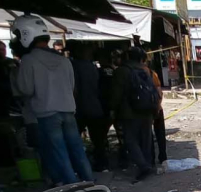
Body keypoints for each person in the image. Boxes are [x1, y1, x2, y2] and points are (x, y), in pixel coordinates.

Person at [13, 15, 93, 185]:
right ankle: (89, 182)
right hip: (68, 110)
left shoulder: (29, 60)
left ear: (26, 35)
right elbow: (72, 88)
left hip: (47, 113)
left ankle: (72, 187)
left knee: (59, 151)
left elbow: (25, 89)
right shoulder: (63, 60)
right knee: (77, 149)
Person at [110, 47, 156, 181]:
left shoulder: (122, 71)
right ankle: (147, 163)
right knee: (146, 139)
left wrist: (112, 108)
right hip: (147, 110)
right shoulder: (145, 70)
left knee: (131, 140)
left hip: (129, 112)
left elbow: (116, 94)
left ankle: (143, 166)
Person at [71, 44, 109, 172]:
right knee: (98, 140)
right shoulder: (92, 67)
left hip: (79, 108)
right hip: (95, 106)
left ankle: (80, 167)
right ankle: (102, 163)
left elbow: (74, 90)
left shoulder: (75, 67)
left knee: (75, 140)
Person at [142, 52, 167, 164]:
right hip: (156, 108)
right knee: (160, 134)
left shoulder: (133, 74)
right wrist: (158, 106)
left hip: (144, 110)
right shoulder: (153, 74)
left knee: (147, 136)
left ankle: (150, 159)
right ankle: (163, 157)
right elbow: (159, 92)